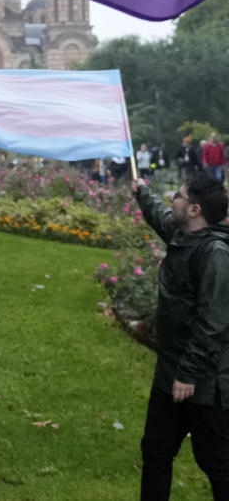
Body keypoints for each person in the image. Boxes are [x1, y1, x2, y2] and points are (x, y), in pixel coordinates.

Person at [131, 172, 229, 499]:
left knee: (217, 463)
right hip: (170, 370)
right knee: (156, 452)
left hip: (205, 381)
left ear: (194, 210)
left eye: (179, 195)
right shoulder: (181, 233)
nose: (172, 197)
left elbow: (213, 323)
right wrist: (142, 191)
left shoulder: (215, 254)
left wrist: (188, 373)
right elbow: (160, 215)